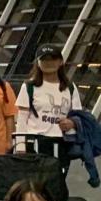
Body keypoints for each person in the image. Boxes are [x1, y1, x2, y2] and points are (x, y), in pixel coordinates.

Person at [15, 44, 82, 176]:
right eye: (44, 59)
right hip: (35, 142)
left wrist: (72, 123)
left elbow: (78, 114)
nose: (49, 63)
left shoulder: (70, 87)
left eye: (53, 59)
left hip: (61, 143)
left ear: (60, 62)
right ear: (38, 63)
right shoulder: (29, 86)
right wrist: (20, 145)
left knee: (57, 182)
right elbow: (22, 119)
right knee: (34, 183)